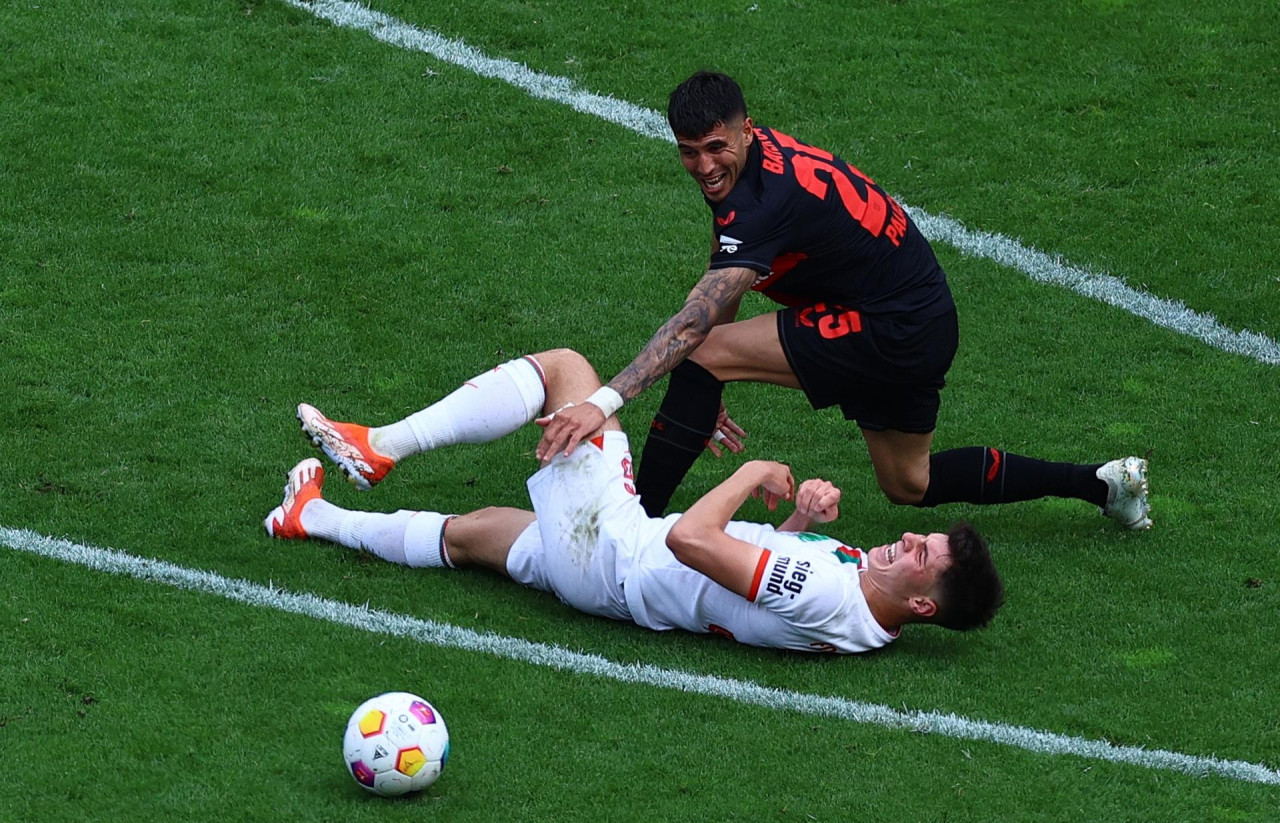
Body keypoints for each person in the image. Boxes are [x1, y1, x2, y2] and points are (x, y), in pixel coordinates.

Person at [533, 71, 1152, 529]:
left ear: (744, 130)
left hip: (889, 325)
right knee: (911, 483)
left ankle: (631, 527)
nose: (702, 166)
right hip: (922, 316)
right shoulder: (755, 163)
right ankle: (1102, 485)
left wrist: (606, 399)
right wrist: (711, 380)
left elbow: (697, 321)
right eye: (688, 151)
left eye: (714, 148)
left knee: (699, 354)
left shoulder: (761, 201)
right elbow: (728, 271)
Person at [269, 349, 1004, 654]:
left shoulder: (829, 590)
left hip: (623, 553)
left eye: (920, 555)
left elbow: (694, 541)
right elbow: (758, 580)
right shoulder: (858, 601)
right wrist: (802, 521)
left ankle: (382, 444)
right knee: (473, 534)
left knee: (570, 377)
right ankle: (312, 518)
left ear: (925, 605)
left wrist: (754, 472)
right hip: (616, 582)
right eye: (922, 537)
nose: (908, 538)